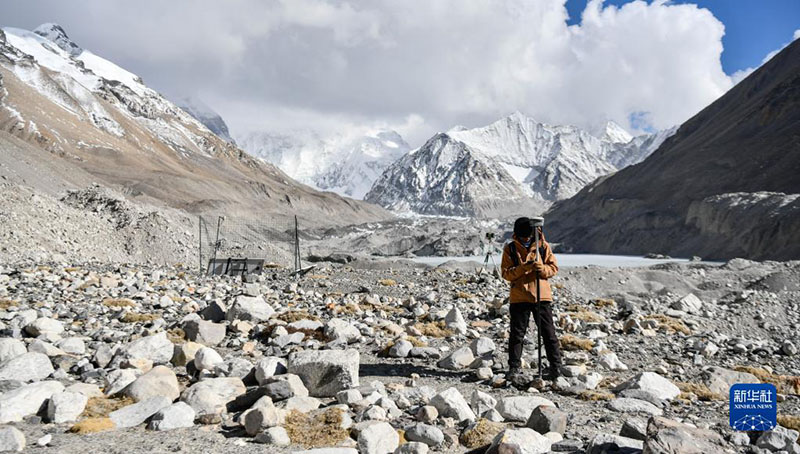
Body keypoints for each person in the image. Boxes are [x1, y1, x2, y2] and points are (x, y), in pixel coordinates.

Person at [501, 216, 562, 382]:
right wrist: (523, 268)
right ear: (517, 235)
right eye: (523, 237)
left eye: (528, 236)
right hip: (520, 296)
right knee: (517, 335)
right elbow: (506, 273)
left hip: (541, 296)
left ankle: (556, 368)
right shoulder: (511, 249)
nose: (526, 239)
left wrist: (542, 269)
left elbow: (553, 268)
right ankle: (514, 368)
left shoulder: (543, 247)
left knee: (548, 334)